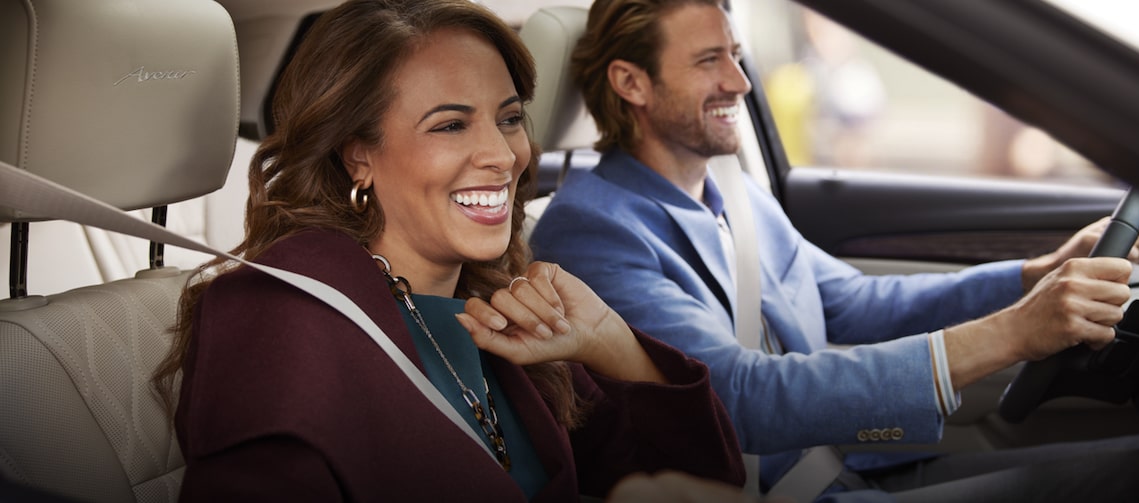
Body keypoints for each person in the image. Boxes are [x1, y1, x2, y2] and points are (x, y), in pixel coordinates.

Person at [529, 0, 1139, 501]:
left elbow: (849, 299)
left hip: (847, 466)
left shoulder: (728, 189)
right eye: (708, 61)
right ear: (630, 83)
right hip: (781, 492)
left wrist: (1033, 278)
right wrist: (1014, 334)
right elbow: (742, 400)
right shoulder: (592, 233)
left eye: (736, 54)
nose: (740, 81)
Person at [150, 0, 751, 500]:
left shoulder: (496, 298)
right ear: (359, 152)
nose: (503, 155)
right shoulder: (276, 316)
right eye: (450, 125)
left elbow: (702, 485)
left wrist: (612, 343)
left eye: (509, 118)